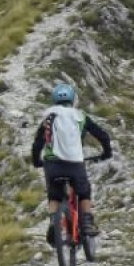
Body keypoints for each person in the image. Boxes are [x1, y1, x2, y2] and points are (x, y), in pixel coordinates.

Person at [31, 81, 112, 245]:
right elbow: (102, 135)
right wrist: (106, 153)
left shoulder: (48, 117)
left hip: (52, 164)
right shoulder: (80, 116)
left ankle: (54, 222)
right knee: (84, 191)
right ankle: (87, 223)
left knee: (54, 195)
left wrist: (36, 161)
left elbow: (38, 143)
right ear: (73, 99)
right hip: (74, 163)